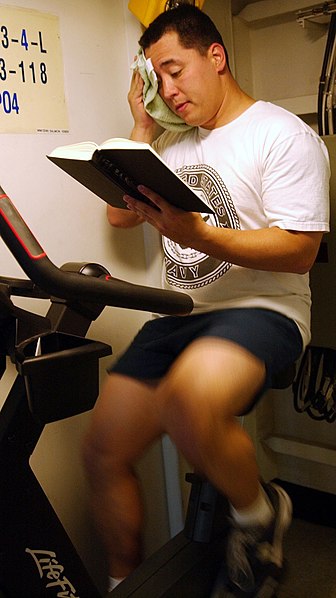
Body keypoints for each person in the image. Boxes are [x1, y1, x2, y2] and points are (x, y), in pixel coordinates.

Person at [83, 5, 330, 596]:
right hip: (183, 316)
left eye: (175, 70)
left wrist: (200, 235)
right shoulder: (171, 143)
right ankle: (124, 580)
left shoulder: (281, 133)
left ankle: (258, 514)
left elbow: (299, 252)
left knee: (187, 399)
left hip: (264, 312)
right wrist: (142, 128)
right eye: (156, 78)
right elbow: (120, 215)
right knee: (102, 451)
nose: (168, 89)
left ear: (215, 57)